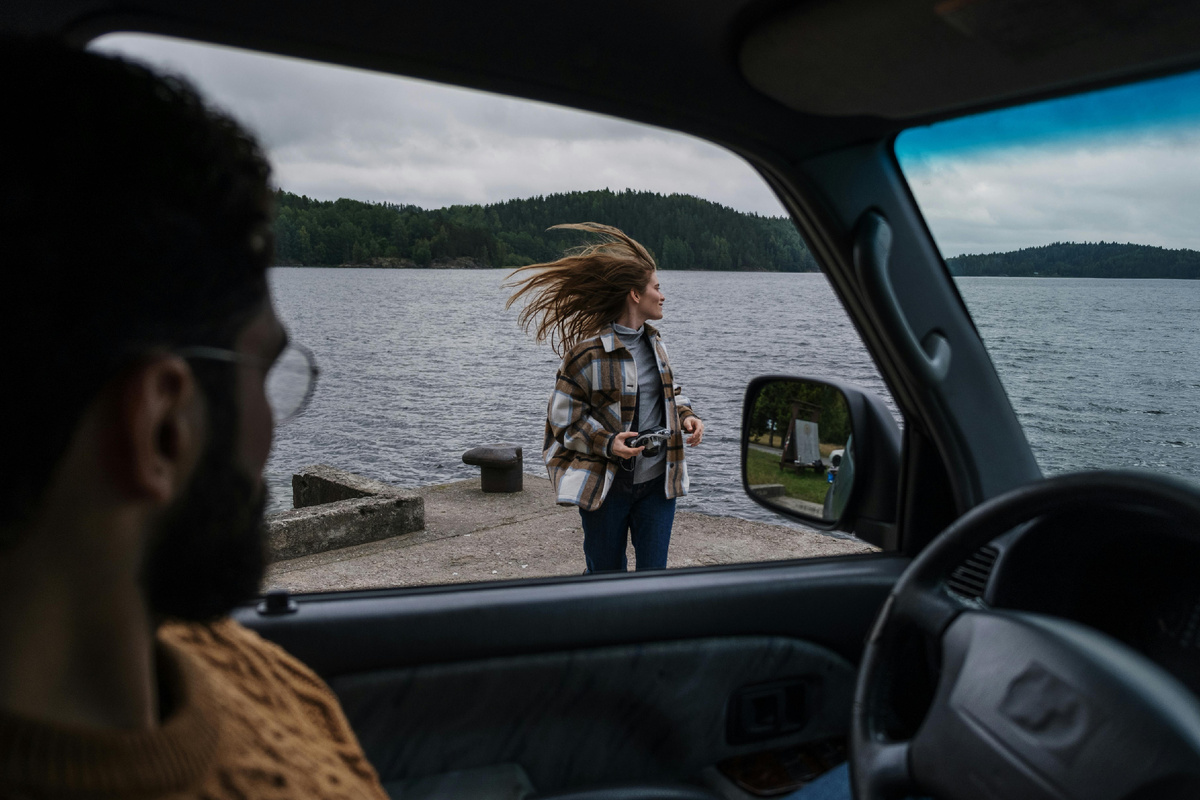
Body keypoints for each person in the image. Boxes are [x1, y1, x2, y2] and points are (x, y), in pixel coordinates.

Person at [0, 39, 390, 798]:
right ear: (162, 427)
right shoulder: (273, 695)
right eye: (264, 374)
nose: (273, 429)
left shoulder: (259, 677)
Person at [505, 224, 705, 572]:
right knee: (605, 579)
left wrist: (687, 415)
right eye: (657, 287)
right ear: (635, 295)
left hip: (658, 484)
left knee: (655, 581)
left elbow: (669, 393)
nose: (663, 295)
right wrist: (609, 443)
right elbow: (562, 422)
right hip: (606, 487)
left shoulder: (656, 345)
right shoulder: (586, 354)